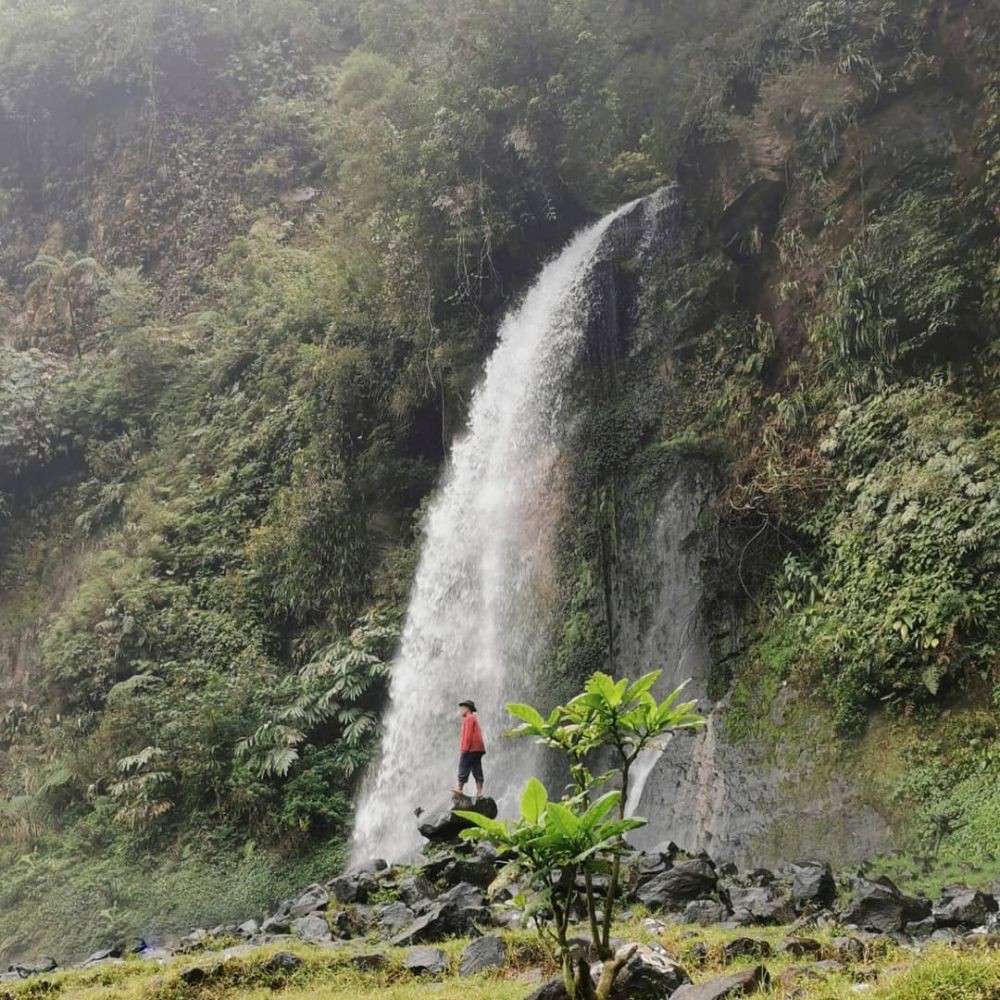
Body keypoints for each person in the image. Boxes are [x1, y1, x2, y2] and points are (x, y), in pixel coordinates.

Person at [453, 699, 485, 798]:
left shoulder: (469, 719)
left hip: (471, 748)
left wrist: (464, 749)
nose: (461, 710)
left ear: (467, 709)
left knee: (463, 766)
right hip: (478, 749)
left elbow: (468, 735)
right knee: (477, 769)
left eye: (463, 708)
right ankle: (479, 792)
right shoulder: (474, 718)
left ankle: (460, 788)